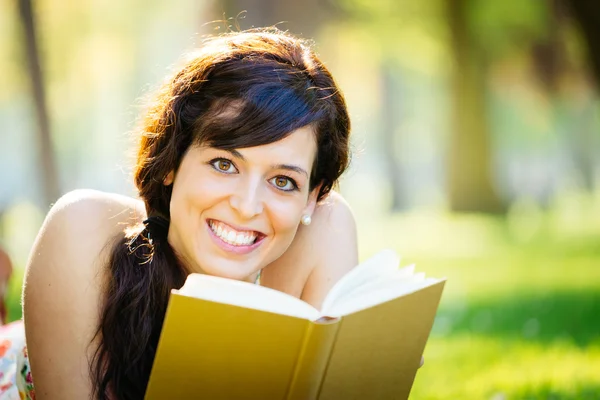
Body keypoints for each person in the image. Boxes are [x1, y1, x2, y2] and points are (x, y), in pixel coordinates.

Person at [14, 28, 357, 399]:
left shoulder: (323, 226)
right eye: (224, 164)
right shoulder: (84, 231)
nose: (246, 206)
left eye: (283, 182)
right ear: (171, 160)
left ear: (312, 196)